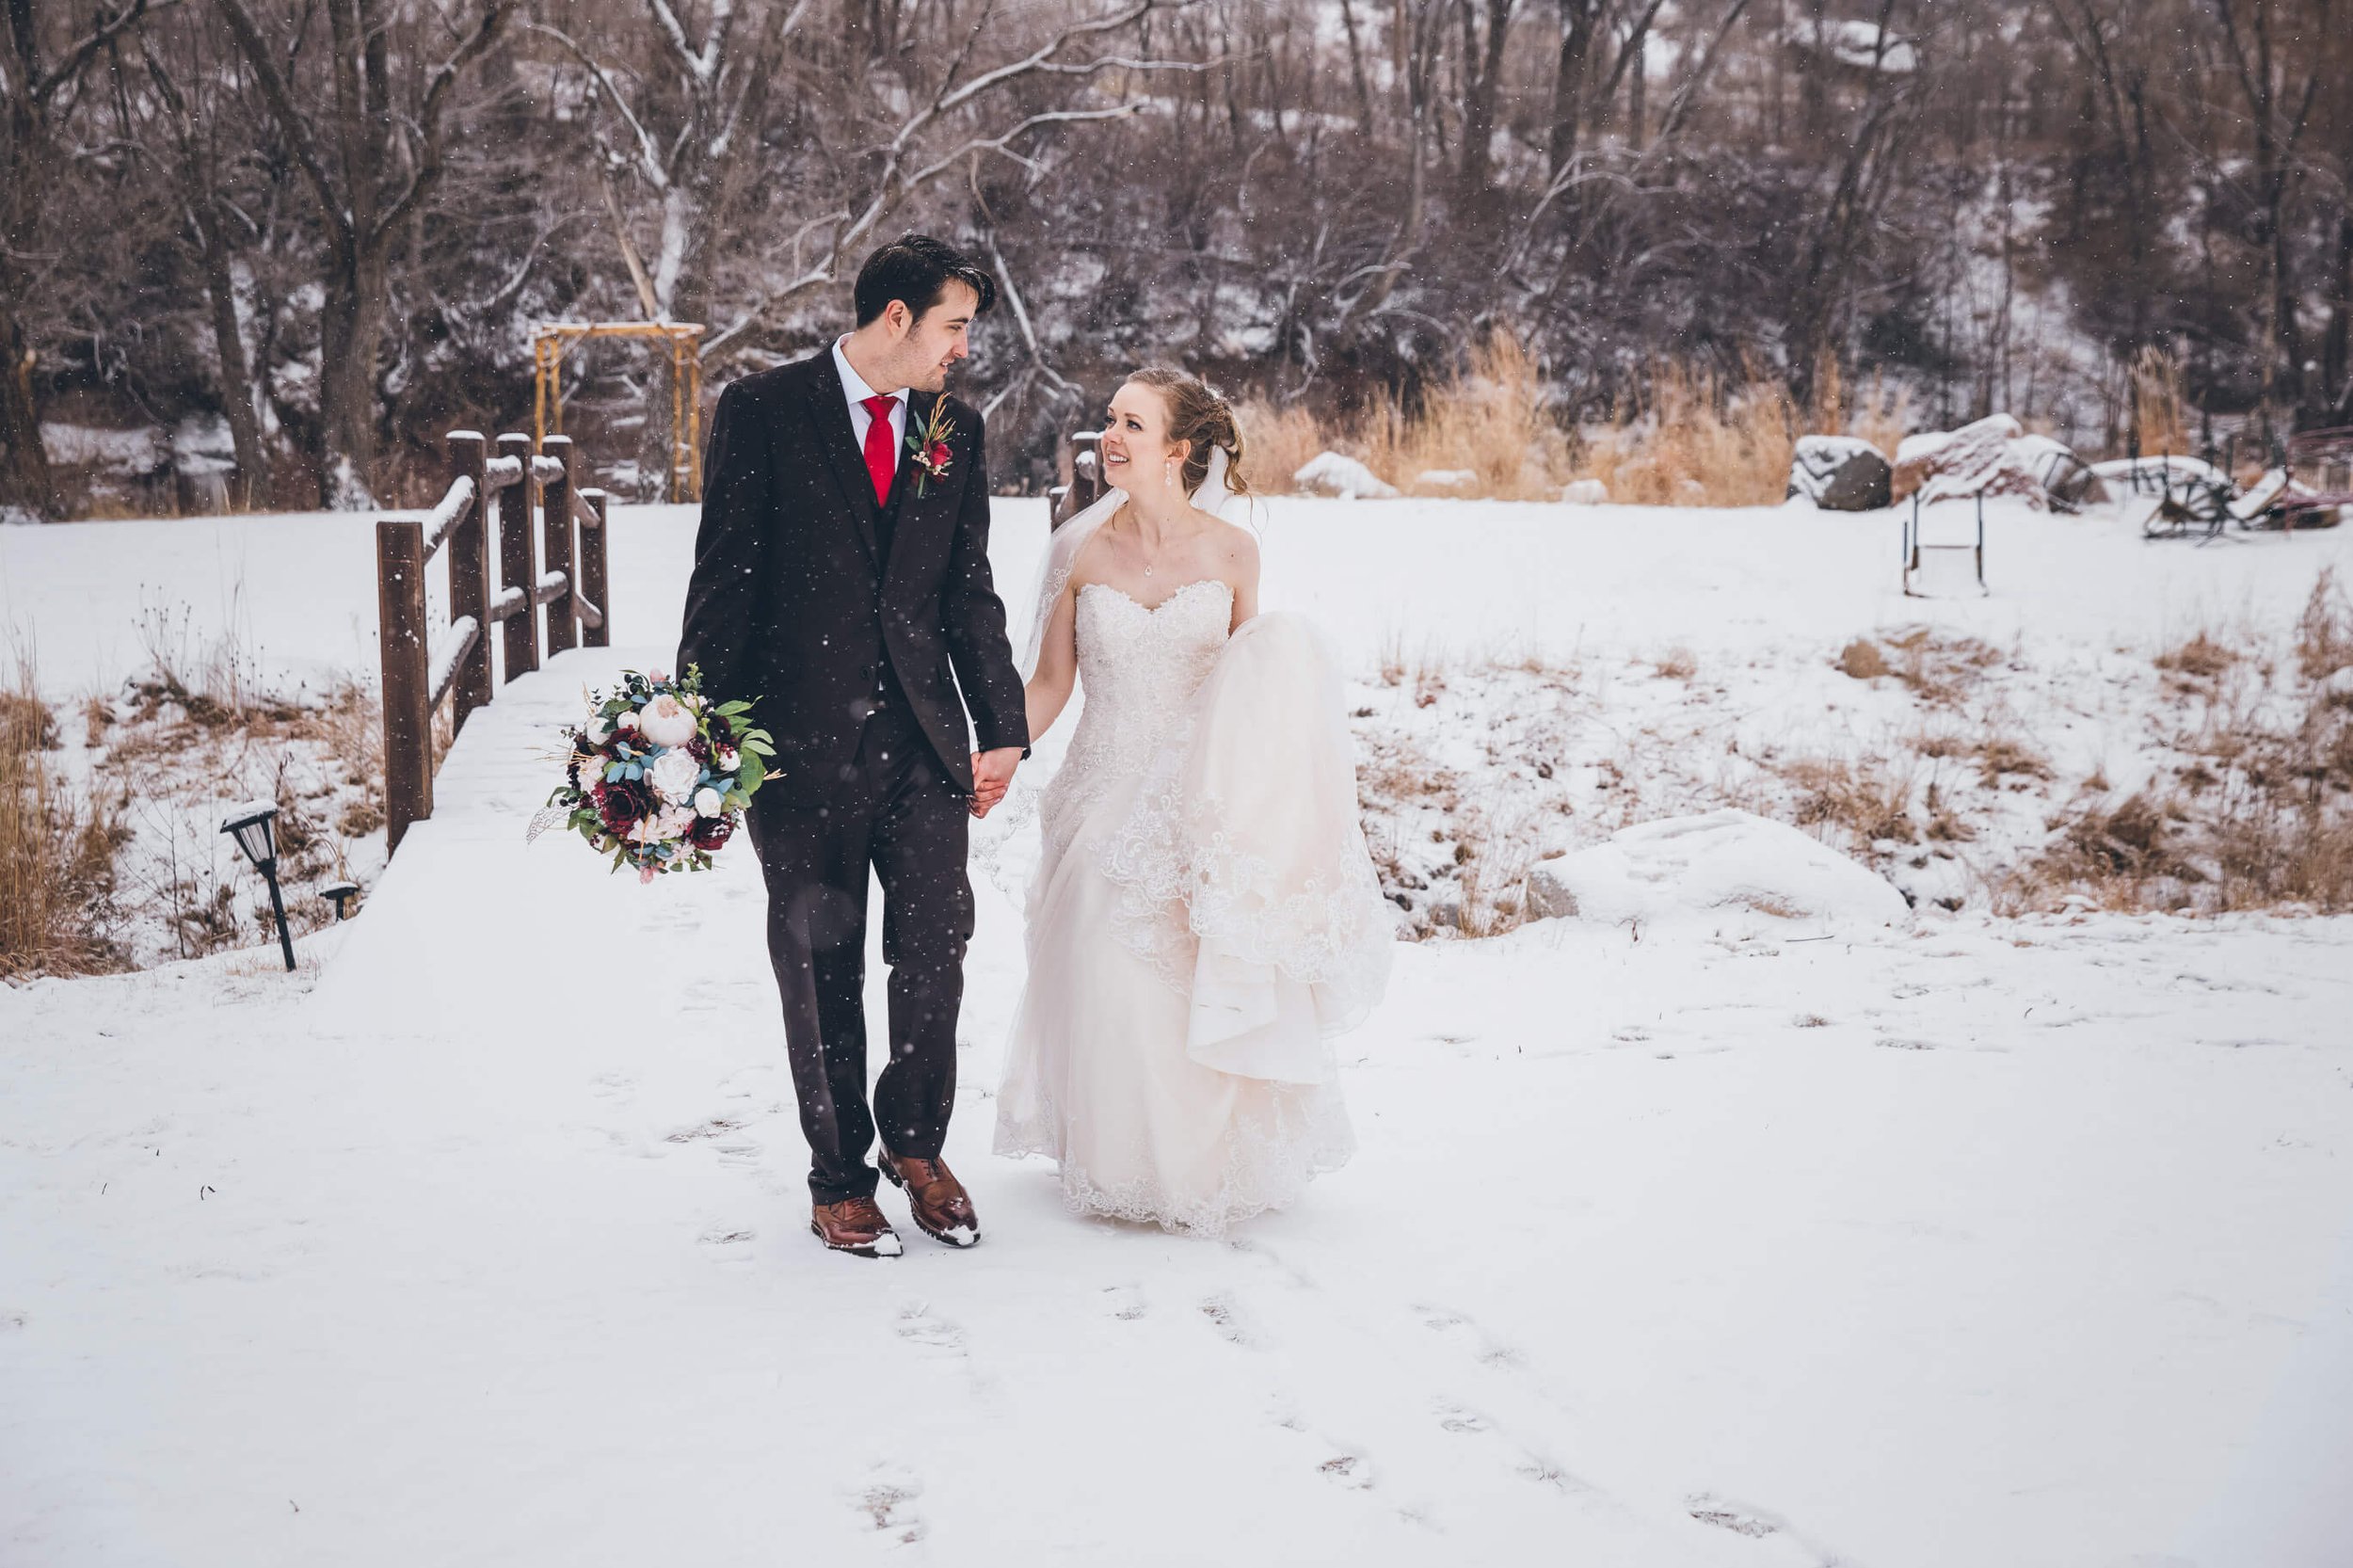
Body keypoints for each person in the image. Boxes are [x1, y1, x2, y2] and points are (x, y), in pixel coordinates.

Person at [677, 234, 1028, 1258]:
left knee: (934, 953)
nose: (963, 347)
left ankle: (916, 1145)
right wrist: (699, 739)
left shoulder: (955, 430)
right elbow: (724, 581)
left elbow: (969, 591)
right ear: (895, 319)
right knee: (819, 961)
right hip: (795, 749)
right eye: (954, 324)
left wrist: (998, 728)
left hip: (923, 744)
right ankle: (838, 1176)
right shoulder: (763, 412)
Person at [990, 368, 1393, 1234]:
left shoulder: (1233, 552)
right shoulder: (1077, 550)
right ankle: (1118, 1156)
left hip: (1201, 785)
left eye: (1132, 424)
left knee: (1195, 963)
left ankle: (1205, 1158)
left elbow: (1256, 684)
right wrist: (992, 754)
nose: (1111, 437)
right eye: (1109, 421)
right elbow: (1052, 683)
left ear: (1178, 448)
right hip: (1102, 778)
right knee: (1104, 924)